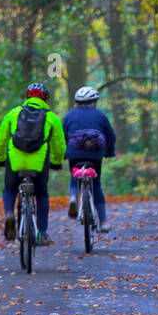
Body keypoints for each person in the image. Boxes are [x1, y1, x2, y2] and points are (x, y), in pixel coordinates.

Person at [0, 82, 65, 246]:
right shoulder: (51, 117)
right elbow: (59, 144)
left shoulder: (14, 113)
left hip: (15, 162)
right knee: (41, 195)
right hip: (38, 165)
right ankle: (42, 233)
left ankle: (10, 213)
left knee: (10, 189)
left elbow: (0, 138)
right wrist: (57, 162)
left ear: (27, 97)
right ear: (46, 98)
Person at [62, 85, 117, 232]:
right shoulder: (100, 115)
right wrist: (110, 152)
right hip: (95, 155)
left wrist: (62, 154)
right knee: (96, 185)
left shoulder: (69, 115)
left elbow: (61, 137)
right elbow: (111, 136)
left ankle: (74, 198)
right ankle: (104, 222)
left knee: (74, 178)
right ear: (94, 102)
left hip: (75, 154)